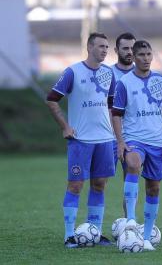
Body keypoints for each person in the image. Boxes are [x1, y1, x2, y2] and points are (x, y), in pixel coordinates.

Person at [46, 32, 116, 248]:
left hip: (105, 139)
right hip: (81, 140)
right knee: (75, 185)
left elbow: (113, 106)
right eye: (101, 46)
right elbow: (51, 100)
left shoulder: (109, 74)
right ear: (89, 47)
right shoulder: (72, 72)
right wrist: (65, 126)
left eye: (107, 46)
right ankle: (69, 235)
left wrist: (117, 135)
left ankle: (94, 231)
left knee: (99, 185)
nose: (105, 50)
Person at [112, 40, 162, 251]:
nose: (146, 58)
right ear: (134, 57)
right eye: (141, 55)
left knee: (154, 188)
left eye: (149, 54)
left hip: (157, 142)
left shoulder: (161, 81)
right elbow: (116, 114)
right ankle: (130, 218)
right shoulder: (125, 83)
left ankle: (146, 238)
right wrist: (120, 141)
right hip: (134, 139)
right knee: (133, 163)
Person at [111, 32, 136, 217]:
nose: (129, 52)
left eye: (132, 48)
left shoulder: (143, 75)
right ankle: (93, 227)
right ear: (116, 50)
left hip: (133, 137)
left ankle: (130, 223)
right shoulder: (108, 74)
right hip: (107, 136)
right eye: (125, 48)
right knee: (99, 182)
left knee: (131, 180)